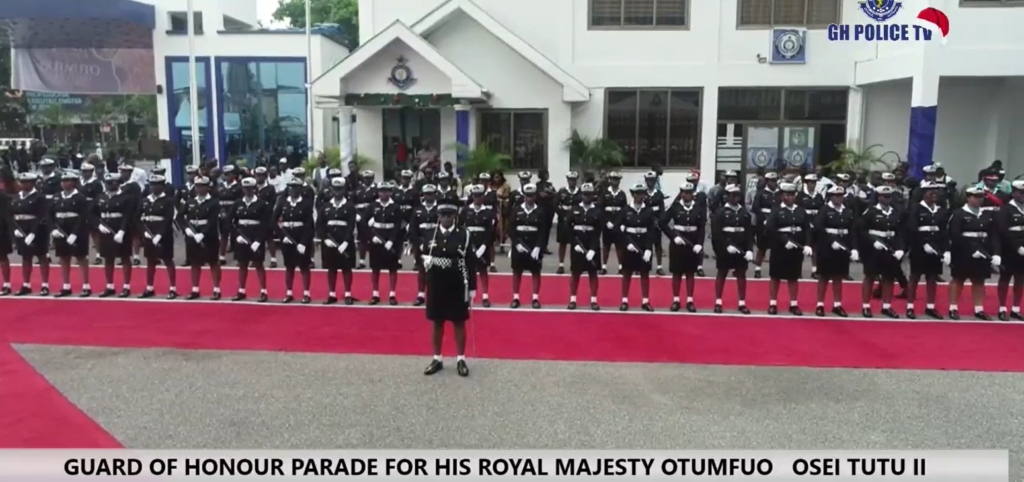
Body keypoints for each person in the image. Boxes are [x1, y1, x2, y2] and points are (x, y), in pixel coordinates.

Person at [422, 203, 476, 378]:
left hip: (457, 283)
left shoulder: (464, 235)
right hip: (437, 283)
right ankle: (437, 358)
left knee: (458, 321)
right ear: (438, 216)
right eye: (443, 215)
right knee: (437, 322)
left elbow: (470, 262)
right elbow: (422, 257)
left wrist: (473, 288)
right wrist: (425, 265)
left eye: (449, 215)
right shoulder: (431, 234)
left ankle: (461, 358)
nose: (446, 218)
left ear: (455, 216)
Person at [948, 187, 1000, 320]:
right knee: (958, 279)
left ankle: (979, 308)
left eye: (981, 197)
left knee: (979, 280)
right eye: (976, 196)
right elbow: (955, 234)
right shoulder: (959, 213)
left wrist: (995, 253)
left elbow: (992, 234)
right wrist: (970, 250)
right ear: (968, 197)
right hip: (963, 251)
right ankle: (953, 307)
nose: (979, 199)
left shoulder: (986, 214)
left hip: (982, 250)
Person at [765, 183, 814, 315]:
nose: (789, 198)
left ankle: (793, 304)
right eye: (786, 195)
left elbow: (807, 229)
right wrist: (783, 241)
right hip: (780, 247)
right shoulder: (776, 210)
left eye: (792, 195)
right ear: (782, 196)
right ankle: (773, 303)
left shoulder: (800, 210)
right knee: (776, 276)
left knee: (793, 277)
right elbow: (770, 228)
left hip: (796, 247)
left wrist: (808, 244)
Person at [905, 181, 948, 319]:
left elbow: (943, 232)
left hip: (935, 248)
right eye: (931, 191)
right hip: (919, 248)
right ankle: (910, 306)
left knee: (932, 277)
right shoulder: (916, 209)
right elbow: (911, 229)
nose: (934, 194)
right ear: (924, 193)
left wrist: (946, 250)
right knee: (915, 277)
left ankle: (930, 307)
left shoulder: (940, 210)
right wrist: (923, 243)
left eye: (936, 191)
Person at [858, 185, 903, 318]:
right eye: (884, 196)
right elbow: (862, 230)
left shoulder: (895, 212)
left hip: (890, 247)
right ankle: (866, 306)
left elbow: (899, 232)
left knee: (889, 277)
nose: (887, 199)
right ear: (878, 197)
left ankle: (886, 306)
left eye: (889, 196)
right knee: (870, 276)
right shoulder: (871, 211)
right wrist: (873, 241)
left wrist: (900, 248)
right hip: (874, 249)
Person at [813, 185, 857, 317]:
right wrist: (831, 241)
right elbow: (818, 228)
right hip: (827, 247)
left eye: (841, 196)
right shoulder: (825, 210)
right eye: (836, 196)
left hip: (843, 246)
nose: (839, 198)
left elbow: (853, 231)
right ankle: (820, 304)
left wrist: (854, 248)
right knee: (824, 276)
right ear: (831, 197)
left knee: (838, 276)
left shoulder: (848, 211)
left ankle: (837, 305)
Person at [661, 182, 705, 312]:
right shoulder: (675, 207)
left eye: (690, 192)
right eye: (685, 192)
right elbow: (662, 223)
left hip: (692, 241)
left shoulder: (698, 207)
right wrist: (673, 237)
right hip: (678, 243)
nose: (687, 195)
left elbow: (702, 227)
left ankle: (690, 301)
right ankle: (676, 300)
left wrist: (699, 244)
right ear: (681, 193)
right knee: (677, 272)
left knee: (690, 272)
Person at [710, 184, 753, 314]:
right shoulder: (720, 212)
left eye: (737, 195)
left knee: (741, 274)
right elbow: (716, 233)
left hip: (741, 247)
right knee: (722, 273)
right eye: (733, 195)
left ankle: (742, 303)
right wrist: (725, 246)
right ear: (727, 197)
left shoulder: (744, 213)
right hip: (726, 248)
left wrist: (750, 249)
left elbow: (749, 233)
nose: (736, 198)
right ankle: (718, 302)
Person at [179, 176, 223, 300]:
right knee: (194, 262)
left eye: (202, 186)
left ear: (207, 187)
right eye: (197, 186)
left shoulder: (214, 202)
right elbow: (180, 217)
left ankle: (216, 289)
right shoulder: (190, 202)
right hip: (193, 235)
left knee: (213, 262)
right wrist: (186, 229)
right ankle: (195, 289)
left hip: (209, 236)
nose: (199, 188)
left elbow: (212, 221)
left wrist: (203, 234)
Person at [316, 177, 358, 305]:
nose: (337, 192)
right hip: (330, 242)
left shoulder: (350, 206)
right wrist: (325, 239)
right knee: (331, 268)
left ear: (344, 190)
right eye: (335, 189)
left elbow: (351, 225)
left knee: (346, 269)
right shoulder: (326, 206)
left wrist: (346, 242)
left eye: (340, 190)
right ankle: (332, 294)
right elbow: (320, 225)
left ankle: (347, 294)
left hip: (345, 242)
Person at [231, 177, 273, 302]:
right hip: (241, 237)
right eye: (245, 188)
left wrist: (258, 241)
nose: (248, 191)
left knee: (258, 265)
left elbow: (264, 224)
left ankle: (263, 291)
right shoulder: (237, 203)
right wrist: (236, 236)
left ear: (254, 189)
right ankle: (241, 290)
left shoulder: (262, 204)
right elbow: (230, 222)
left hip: (255, 237)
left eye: (250, 189)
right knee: (242, 264)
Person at [274, 178, 315, 303]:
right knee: (289, 266)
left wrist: (303, 242)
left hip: (300, 235)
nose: (292, 190)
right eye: (291, 187)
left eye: (295, 187)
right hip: (287, 236)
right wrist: (282, 235)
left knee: (304, 267)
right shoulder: (283, 202)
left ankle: (306, 293)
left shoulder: (306, 204)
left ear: (300, 189)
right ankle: (289, 293)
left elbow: (309, 224)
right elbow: (273, 220)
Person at [94, 174, 135, 298]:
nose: (110, 185)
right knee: (108, 258)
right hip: (105, 229)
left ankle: (126, 287)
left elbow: (128, 215)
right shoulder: (101, 197)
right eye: (108, 182)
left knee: (125, 258)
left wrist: (122, 231)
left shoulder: (126, 197)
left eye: (113, 182)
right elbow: (91, 213)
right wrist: (98, 225)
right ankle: (109, 286)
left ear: (118, 183)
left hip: (120, 229)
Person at [50, 171, 90, 297]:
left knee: (81, 258)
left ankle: (86, 286)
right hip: (61, 230)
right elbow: (49, 214)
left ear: (73, 182)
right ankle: (66, 285)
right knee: (63, 258)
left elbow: (83, 217)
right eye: (63, 181)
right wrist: (52, 229)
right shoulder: (56, 197)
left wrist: (75, 233)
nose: (64, 183)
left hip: (77, 231)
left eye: (67, 180)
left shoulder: (80, 198)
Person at [138, 174, 178, 299]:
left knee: (167, 260)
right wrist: (143, 231)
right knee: (150, 261)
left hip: (163, 235)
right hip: (149, 234)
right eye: (152, 185)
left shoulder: (168, 201)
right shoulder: (145, 200)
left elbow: (168, 219)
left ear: (163, 186)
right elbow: (136, 218)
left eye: (157, 185)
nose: (154, 187)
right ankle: (149, 288)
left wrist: (160, 235)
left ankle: (172, 288)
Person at [617, 183, 656, 312]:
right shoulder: (625, 210)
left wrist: (649, 249)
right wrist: (626, 243)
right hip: (629, 246)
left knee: (644, 273)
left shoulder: (648, 211)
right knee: (626, 273)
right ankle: (624, 301)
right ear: (633, 194)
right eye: (638, 193)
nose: (641, 196)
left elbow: (651, 231)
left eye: (642, 193)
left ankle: (645, 301)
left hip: (643, 244)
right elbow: (618, 229)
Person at [11, 172, 51, 295]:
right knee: (26, 257)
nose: (23, 184)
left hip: (37, 230)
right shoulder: (17, 196)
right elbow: (11, 214)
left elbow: (41, 216)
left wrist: (33, 233)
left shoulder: (39, 197)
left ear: (33, 183)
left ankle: (45, 285)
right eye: (22, 182)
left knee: (41, 256)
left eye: (26, 182)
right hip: (21, 228)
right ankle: (26, 284)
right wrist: (15, 229)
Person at [565, 182, 603, 311]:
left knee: (593, 273)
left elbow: (598, 231)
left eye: (589, 194)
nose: (587, 197)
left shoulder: (597, 211)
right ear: (581, 195)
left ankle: (593, 300)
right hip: (577, 245)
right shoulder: (574, 209)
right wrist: (574, 244)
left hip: (591, 245)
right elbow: (567, 228)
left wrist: (593, 249)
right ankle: (573, 300)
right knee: (575, 273)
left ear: (593, 195)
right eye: (585, 194)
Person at [509, 183, 547, 308]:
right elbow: (511, 228)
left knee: (535, 272)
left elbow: (543, 231)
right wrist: (515, 243)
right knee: (517, 271)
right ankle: (515, 298)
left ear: (535, 197)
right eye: (527, 196)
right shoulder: (517, 210)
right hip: (520, 244)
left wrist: (538, 247)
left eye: (531, 196)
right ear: (524, 196)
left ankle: (535, 298)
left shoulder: (540, 211)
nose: (529, 198)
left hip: (533, 244)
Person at [367, 181, 404, 305]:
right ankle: (375, 294)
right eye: (381, 191)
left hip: (390, 238)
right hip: (376, 238)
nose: (383, 193)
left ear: (390, 192)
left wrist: (392, 240)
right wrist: (371, 236)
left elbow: (398, 225)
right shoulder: (372, 206)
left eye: (386, 191)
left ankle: (392, 294)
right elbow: (364, 223)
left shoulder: (396, 207)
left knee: (392, 268)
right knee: (375, 267)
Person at [460, 184, 495, 307]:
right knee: (468, 272)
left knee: (483, 271)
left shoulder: (488, 212)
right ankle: (467, 296)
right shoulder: (465, 210)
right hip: (468, 245)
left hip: (481, 245)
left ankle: (485, 296)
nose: (477, 199)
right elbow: (460, 228)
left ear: (483, 197)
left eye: (480, 196)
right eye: (475, 196)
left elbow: (490, 230)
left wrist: (484, 246)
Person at [995, 181, 1024, 321]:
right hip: (1009, 249)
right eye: (1021, 193)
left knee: (1020, 279)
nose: (1023, 196)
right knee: (1005, 278)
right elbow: (1003, 231)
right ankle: (1002, 307)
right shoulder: (1006, 209)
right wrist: (1017, 247)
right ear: (1013, 193)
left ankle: (1016, 308)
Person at [409, 184, 440, 306]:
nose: (429, 196)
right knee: (422, 270)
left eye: (431, 193)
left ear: (435, 194)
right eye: (426, 194)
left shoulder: (439, 209)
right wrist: (418, 243)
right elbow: (413, 229)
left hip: (436, 242)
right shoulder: (417, 209)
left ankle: (436, 295)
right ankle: (421, 295)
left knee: (437, 270)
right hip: (422, 243)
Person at [751, 172, 780, 279]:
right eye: (771, 180)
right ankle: (757, 269)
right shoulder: (761, 193)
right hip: (763, 222)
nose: (774, 183)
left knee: (775, 247)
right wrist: (763, 219)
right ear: (767, 181)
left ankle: (775, 269)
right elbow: (755, 208)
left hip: (776, 222)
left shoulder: (779, 194)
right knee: (761, 247)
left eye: (775, 180)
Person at [555, 171, 581, 274]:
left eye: (574, 180)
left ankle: (574, 264)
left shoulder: (580, 192)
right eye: (570, 180)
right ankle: (561, 264)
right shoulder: (562, 192)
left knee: (575, 243)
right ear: (567, 180)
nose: (572, 182)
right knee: (562, 243)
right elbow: (555, 204)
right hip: (563, 220)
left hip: (575, 221)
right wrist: (562, 214)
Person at [600, 172, 626, 274]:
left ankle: (620, 267)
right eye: (613, 179)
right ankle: (604, 267)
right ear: (610, 180)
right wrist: (606, 222)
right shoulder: (605, 193)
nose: (615, 181)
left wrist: (622, 223)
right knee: (606, 246)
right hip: (608, 223)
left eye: (617, 179)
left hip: (618, 223)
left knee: (619, 246)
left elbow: (624, 210)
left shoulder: (622, 194)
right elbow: (601, 209)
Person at [217, 165, 242, 265]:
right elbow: (217, 200)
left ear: (234, 175)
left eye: (229, 174)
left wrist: (235, 214)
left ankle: (238, 258)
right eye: (225, 174)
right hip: (222, 214)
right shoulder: (220, 186)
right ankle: (222, 257)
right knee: (223, 236)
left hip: (234, 213)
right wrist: (220, 211)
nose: (227, 176)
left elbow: (240, 202)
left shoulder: (238, 187)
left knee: (236, 236)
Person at [643, 171, 667, 276]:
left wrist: (660, 221)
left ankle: (659, 266)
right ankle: (644, 264)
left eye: (652, 180)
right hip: (645, 223)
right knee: (644, 245)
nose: (650, 182)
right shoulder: (642, 193)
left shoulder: (658, 194)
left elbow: (662, 209)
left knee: (658, 245)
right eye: (648, 180)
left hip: (656, 223)